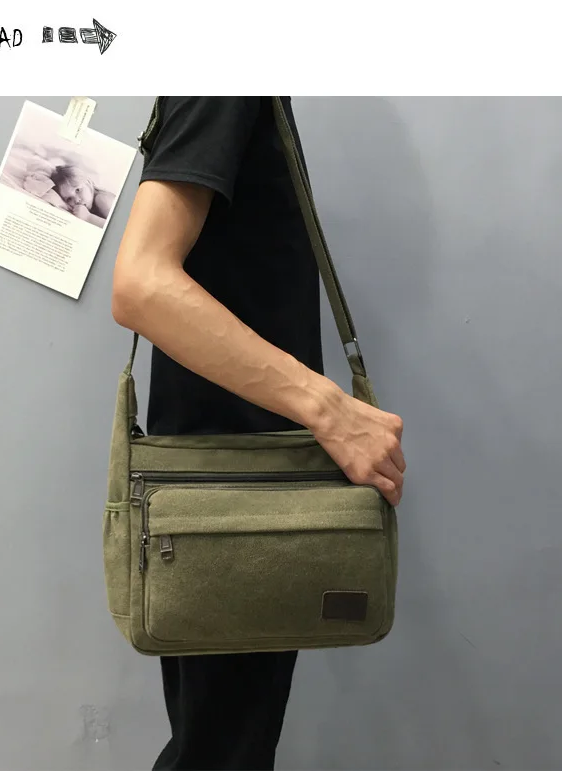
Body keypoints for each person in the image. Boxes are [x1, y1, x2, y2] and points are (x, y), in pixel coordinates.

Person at [111, 96, 405, 771]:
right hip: (230, 503)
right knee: (221, 753)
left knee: (224, 748)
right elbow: (141, 284)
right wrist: (332, 411)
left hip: (237, 494)